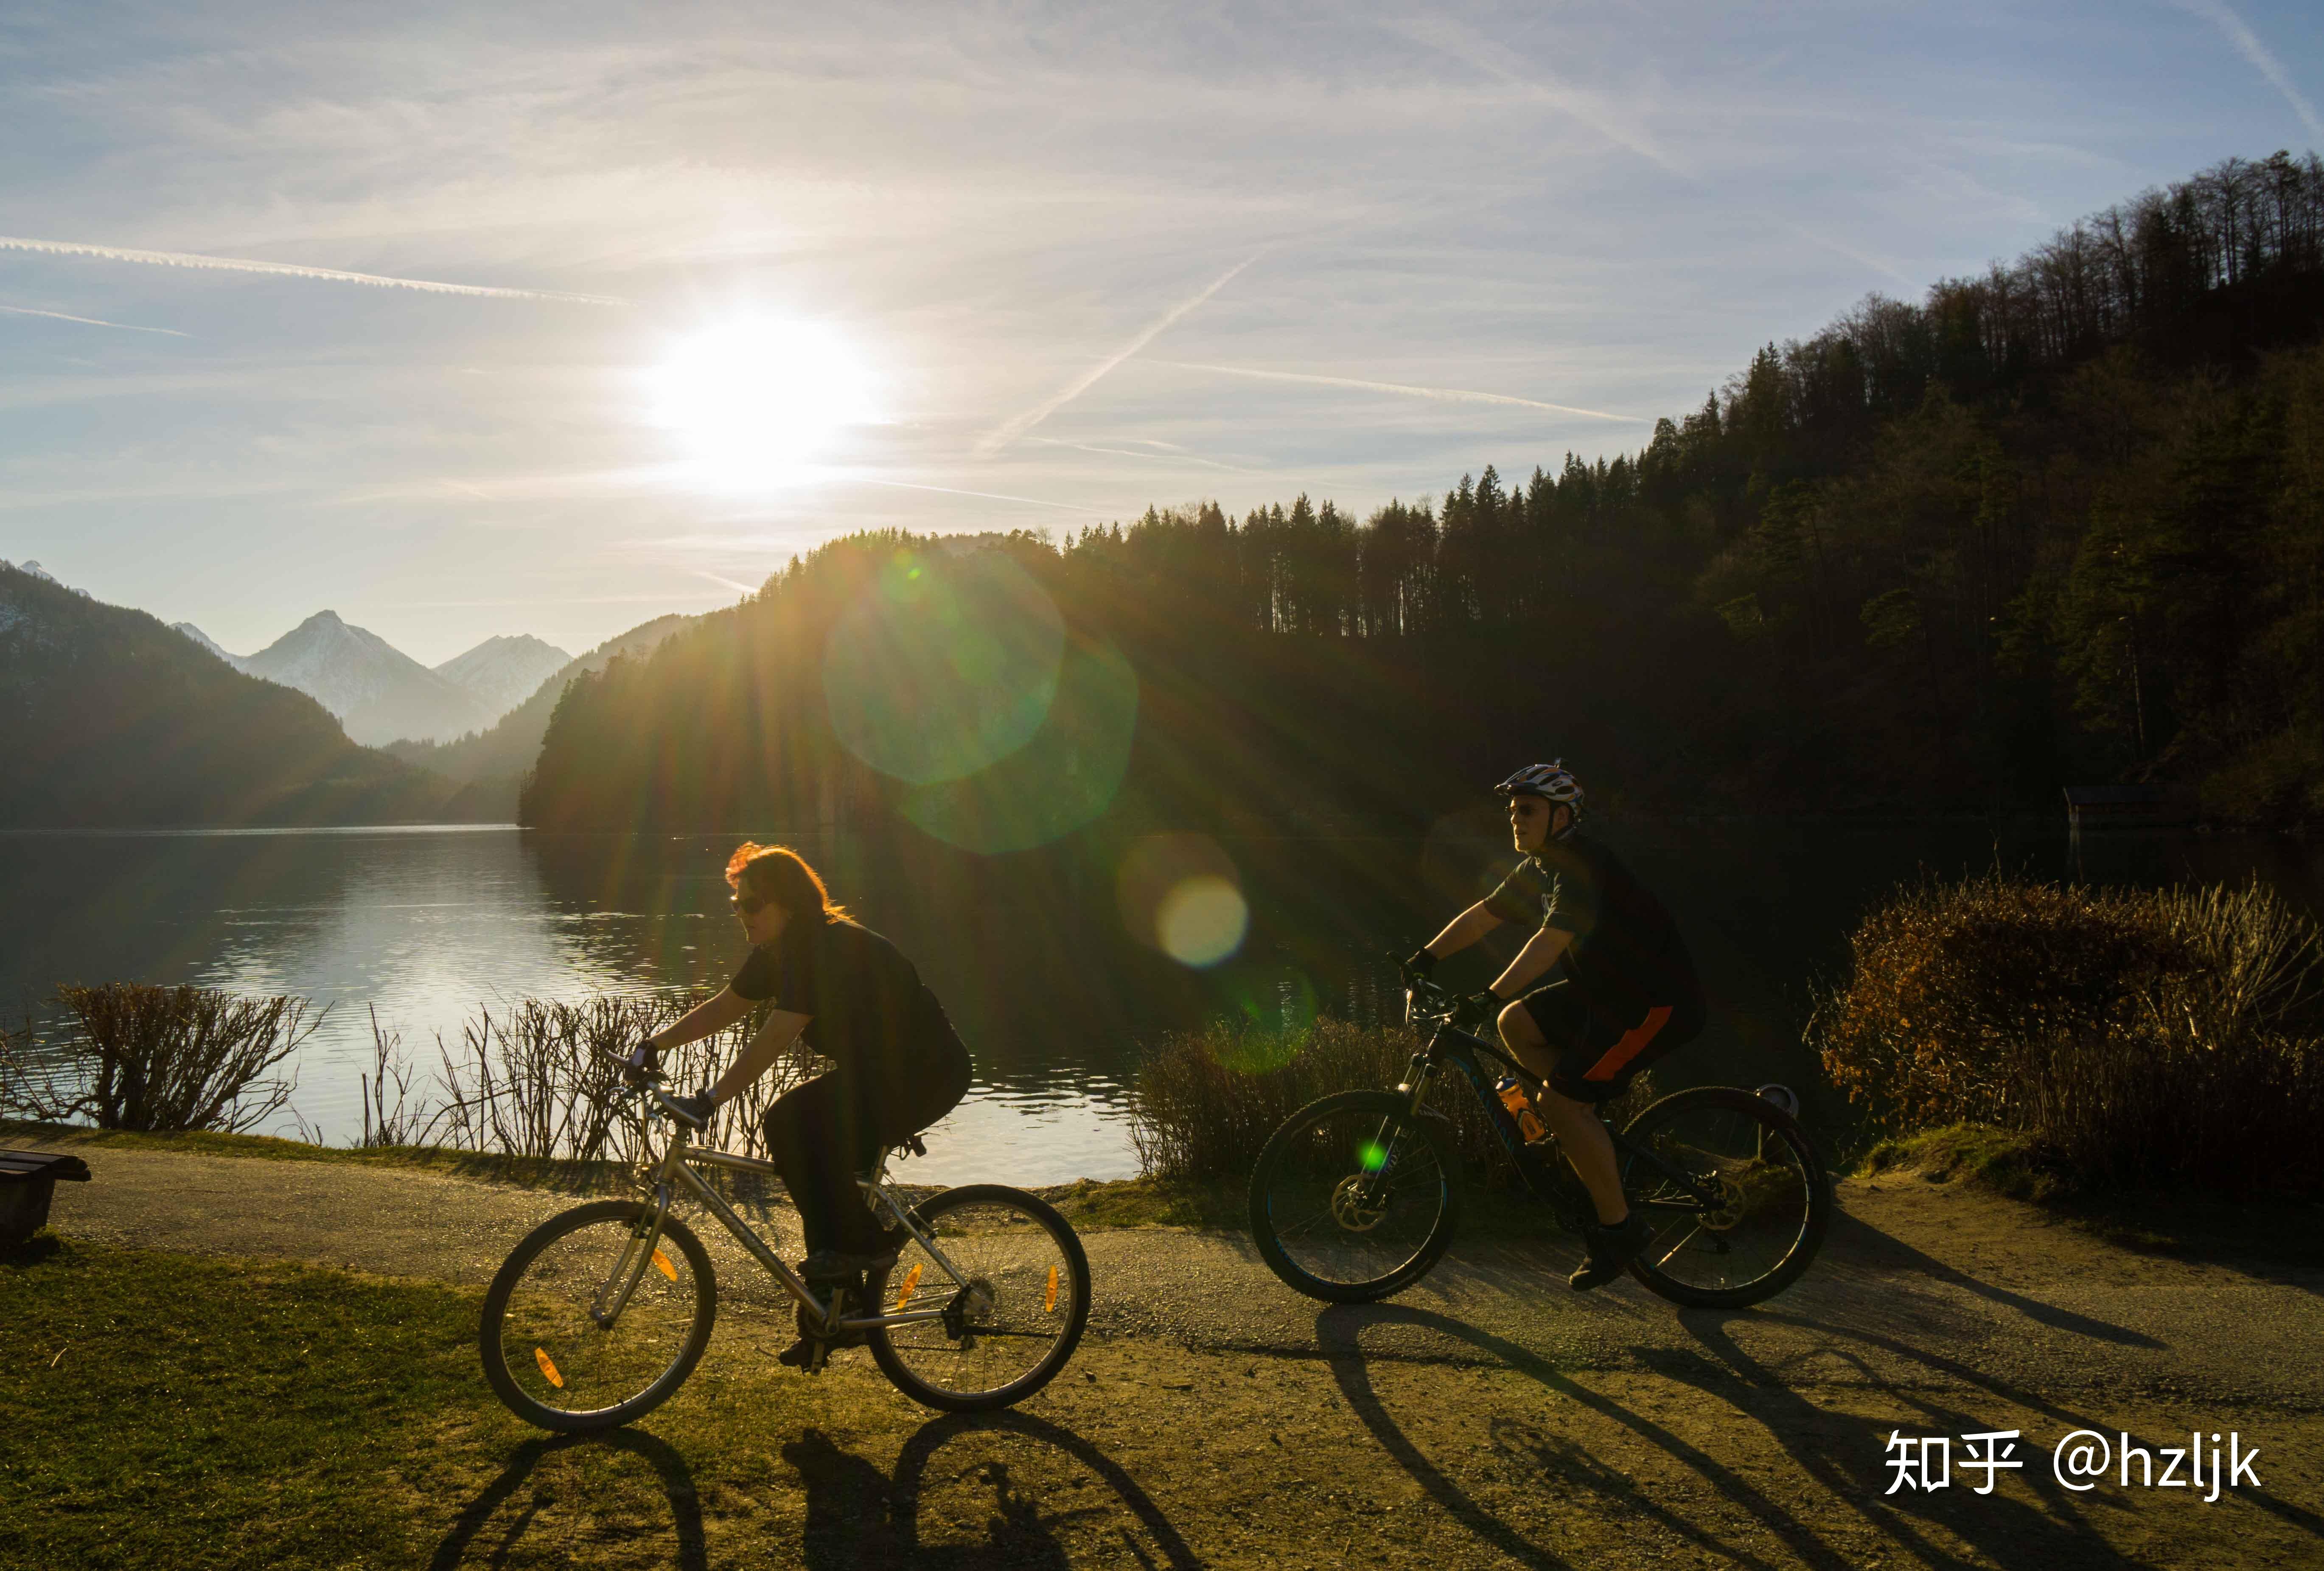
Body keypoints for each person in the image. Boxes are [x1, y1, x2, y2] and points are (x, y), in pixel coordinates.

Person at [631, 842, 973, 1344]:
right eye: (736, 905)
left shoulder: (823, 951)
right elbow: (727, 1007)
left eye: (752, 904)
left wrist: (711, 1099)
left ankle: (867, 1247)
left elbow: (775, 1036)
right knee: (807, 1155)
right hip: (877, 1073)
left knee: (789, 1121)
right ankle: (837, 1312)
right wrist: (652, 1045)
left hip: (925, 1073)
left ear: (787, 905)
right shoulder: (780, 950)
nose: (741, 914)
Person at [1402, 762, 1704, 1291]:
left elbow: (1550, 940)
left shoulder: (1582, 865)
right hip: (1603, 997)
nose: (1514, 820)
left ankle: (1619, 1230)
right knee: (1514, 1022)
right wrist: (1423, 959)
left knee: (1560, 1102)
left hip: (1654, 1004)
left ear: (1561, 816)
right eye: (1512, 811)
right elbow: (1483, 915)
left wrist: (1486, 991)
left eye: (1527, 811)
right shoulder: (1539, 866)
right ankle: (1575, 1123)